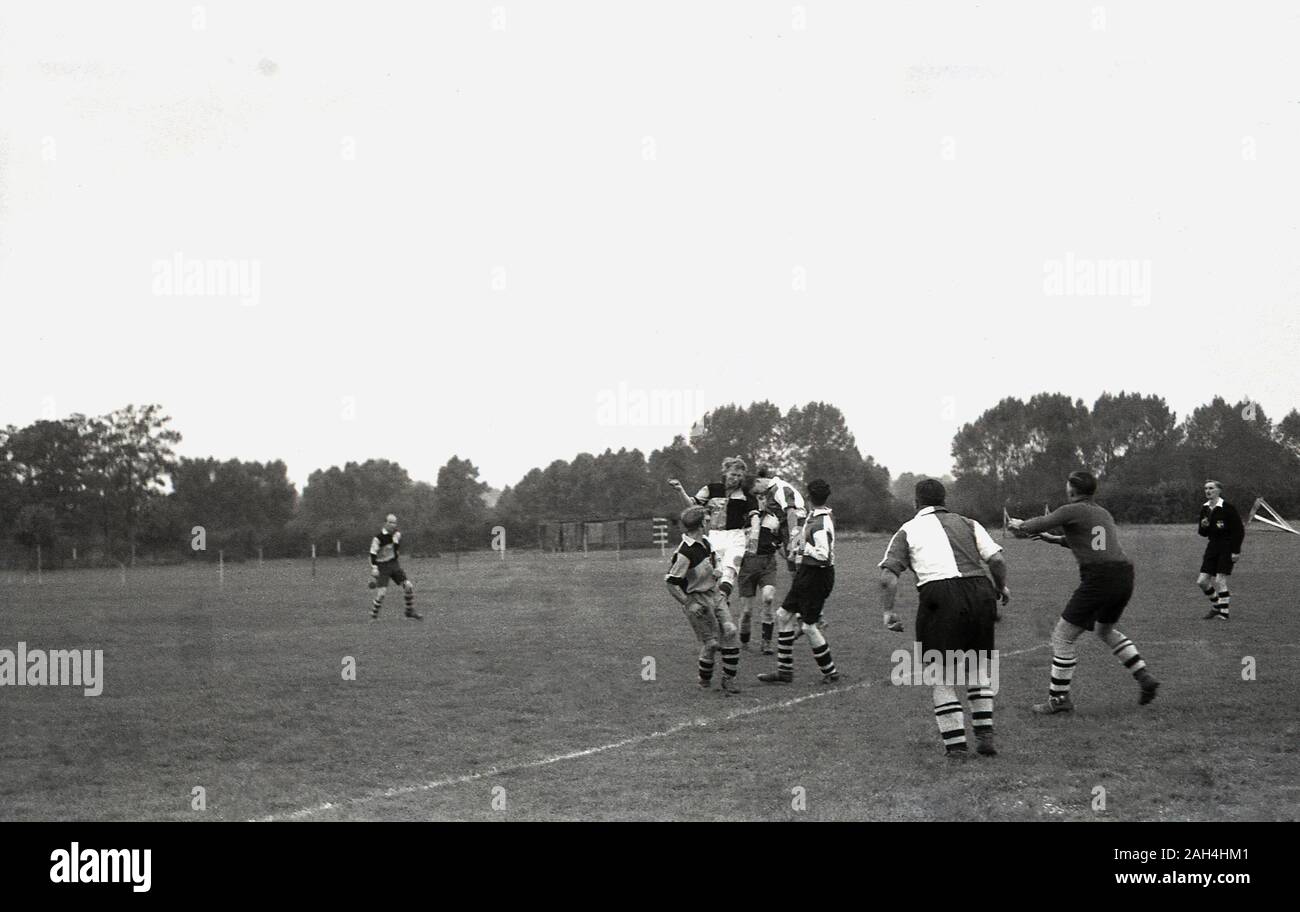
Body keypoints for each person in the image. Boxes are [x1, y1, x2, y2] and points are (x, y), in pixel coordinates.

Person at [1008, 470, 1158, 714]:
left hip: (1099, 578)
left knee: (1062, 637)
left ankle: (1059, 700)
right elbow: (1093, 542)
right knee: (1104, 630)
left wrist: (1019, 524)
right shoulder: (1102, 513)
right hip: (1123, 575)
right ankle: (1144, 677)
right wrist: (1054, 540)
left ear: (1072, 490)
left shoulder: (1071, 509)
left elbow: (1040, 523)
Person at [879, 478, 1009, 758]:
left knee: (941, 674)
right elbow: (997, 560)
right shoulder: (969, 523)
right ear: (944, 500)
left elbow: (888, 577)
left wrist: (889, 612)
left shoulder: (907, 529)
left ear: (916, 502)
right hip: (980, 591)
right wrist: (999, 588)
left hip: (940, 594)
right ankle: (985, 735)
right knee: (976, 667)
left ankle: (957, 747)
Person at [757, 479, 840, 686]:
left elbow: (824, 556)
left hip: (818, 576)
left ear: (809, 497)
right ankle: (784, 671)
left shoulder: (821, 522)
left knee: (809, 626)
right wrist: (794, 546)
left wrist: (802, 548)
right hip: (808, 573)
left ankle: (831, 672)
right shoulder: (814, 516)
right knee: (783, 616)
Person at [664, 506, 742, 694]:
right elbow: (671, 583)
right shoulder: (685, 552)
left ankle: (728, 680)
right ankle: (704, 681)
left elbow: (713, 562)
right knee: (712, 644)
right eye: (706, 520)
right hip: (697, 600)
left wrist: (716, 571)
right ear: (701, 524)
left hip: (715, 594)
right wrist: (689, 603)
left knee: (730, 631)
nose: (709, 522)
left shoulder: (705, 542)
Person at [668, 457, 759, 601]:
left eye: (739, 476)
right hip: (714, 537)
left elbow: (755, 518)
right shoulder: (711, 489)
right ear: (725, 473)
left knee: (730, 570)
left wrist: (753, 540)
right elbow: (692, 505)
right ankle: (720, 606)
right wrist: (680, 490)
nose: (735, 479)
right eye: (732, 474)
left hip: (736, 537)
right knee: (715, 574)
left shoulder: (746, 495)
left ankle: (722, 600)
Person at [737, 486, 782, 654]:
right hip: (747, 565)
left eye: (763, 498)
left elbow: (779, 544)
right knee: (747, 611)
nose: (760, 502)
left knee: (768, 598)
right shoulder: (742, 521)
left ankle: (766, 643)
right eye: (757, 498)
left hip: (767, 565)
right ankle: (744, 642)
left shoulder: (773, 520)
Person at [1197, 480, 1244, 621]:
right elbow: (1202, 533)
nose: (1207, 491)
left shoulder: (1227, 508)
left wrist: (1236, 551)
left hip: (1227, 546)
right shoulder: (1205, 508)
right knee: (1202, 581)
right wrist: (1204, 526)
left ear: (1219, 490)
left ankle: (1224, 613)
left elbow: (1239, 531)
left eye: (1211, 488)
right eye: (1206, 488)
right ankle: (1217, 605)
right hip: (1212, 547)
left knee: (1220, 580)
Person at [369, 513, 422, 620]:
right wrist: (374, 568)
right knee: (382, 593)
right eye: (390, 522)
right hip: (382, 566)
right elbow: (372, 553)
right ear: (385, 523)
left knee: (408, 586)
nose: (393, 525)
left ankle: (409, 611)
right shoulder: (378, 538)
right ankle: (374, 615)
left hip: (393, 564)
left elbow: (396, 546)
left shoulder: (396, 534)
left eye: (394, 522)